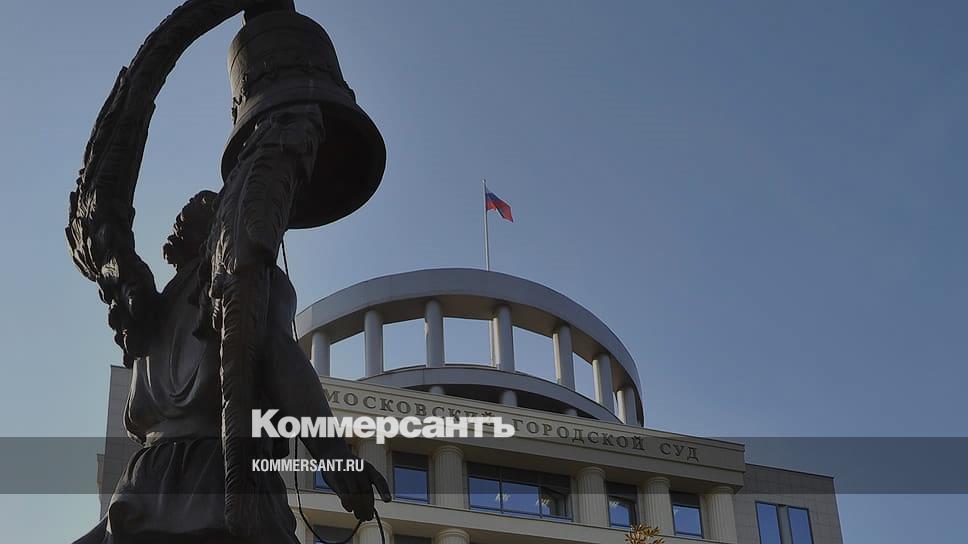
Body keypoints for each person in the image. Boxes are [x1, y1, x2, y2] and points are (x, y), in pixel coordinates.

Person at [73, 190, 390, 544]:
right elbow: (279, 352)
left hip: (144, 487)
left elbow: (276, 351)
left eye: (192, 213)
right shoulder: (245, 280)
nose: (182, 216)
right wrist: (332, 454)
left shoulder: (152, 308)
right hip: (218, 477)